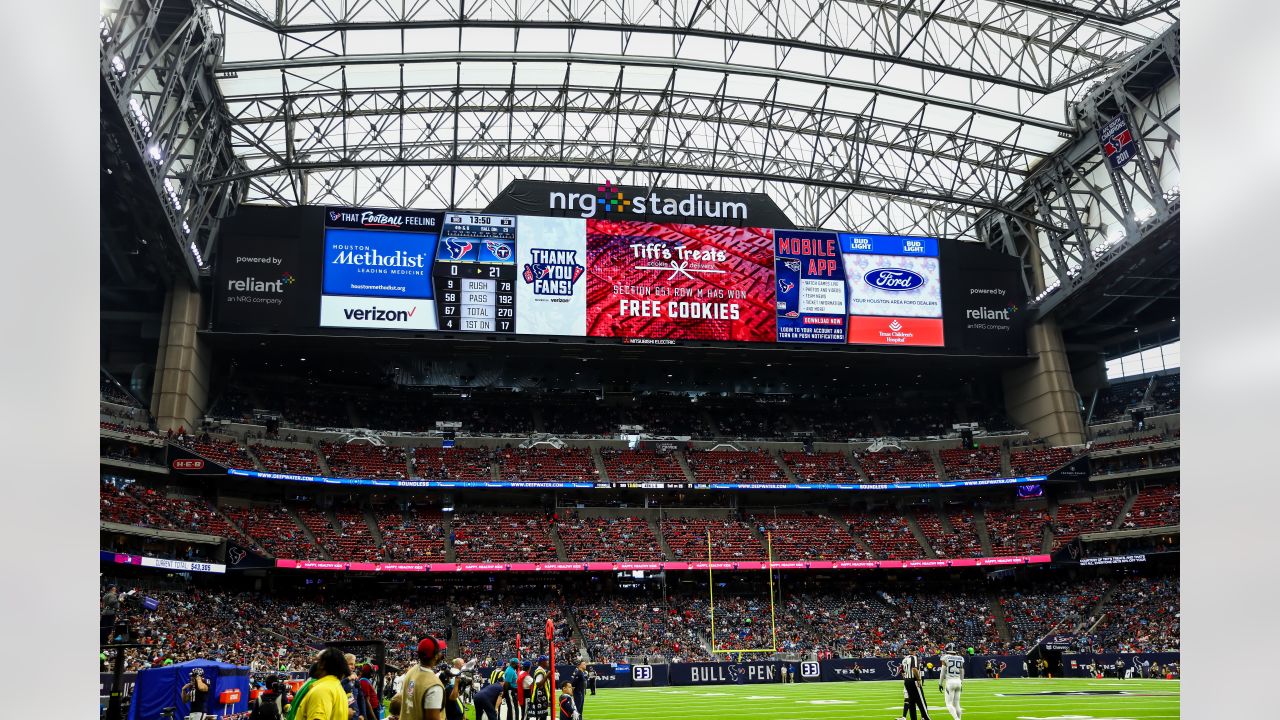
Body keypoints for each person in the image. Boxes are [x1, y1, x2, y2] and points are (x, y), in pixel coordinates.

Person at [397, 637, 448, 720]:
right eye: (440, 651)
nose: (441, 653)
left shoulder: (411, 671)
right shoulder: (434, 686)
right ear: (435, 656)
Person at [293, 648, 350, 720]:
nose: (313, 663)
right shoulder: (336, 687)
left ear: (323, 664)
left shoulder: (322, 690)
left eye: (316, 660)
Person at [897, 652, 932, 720]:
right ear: (914, 652)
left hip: (907, 681)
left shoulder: (904, 659)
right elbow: (914, 669)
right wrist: (918, 679)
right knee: (921, 701)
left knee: (911, 702)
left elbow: (903, 672)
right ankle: (925, 718)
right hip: (914, 680)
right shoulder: (914, 657)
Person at [937, 643, 965, 720]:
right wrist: (961, 682)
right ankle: (959, 718)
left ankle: (957, 719)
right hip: (958, 681)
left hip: (950, 682)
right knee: (957, 704)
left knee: (949, 704)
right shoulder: (960, 658)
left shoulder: (945, 657)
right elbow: (962, 671)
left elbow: (942, 672)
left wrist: (940, 683)